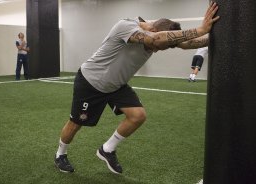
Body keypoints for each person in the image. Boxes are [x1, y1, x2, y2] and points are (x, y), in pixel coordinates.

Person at [54, 2, 219, 174]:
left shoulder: (157, 36)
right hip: (91, 82)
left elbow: (187, 43)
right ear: (153, 31)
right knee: (75, 124)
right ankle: (60, 154)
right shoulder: (126, 26)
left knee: (138, 116)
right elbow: (155, 40)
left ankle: (107, 149)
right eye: (157, 47)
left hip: (116, 85)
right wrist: (200, 29)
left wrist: (216, 35)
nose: (156, 50)